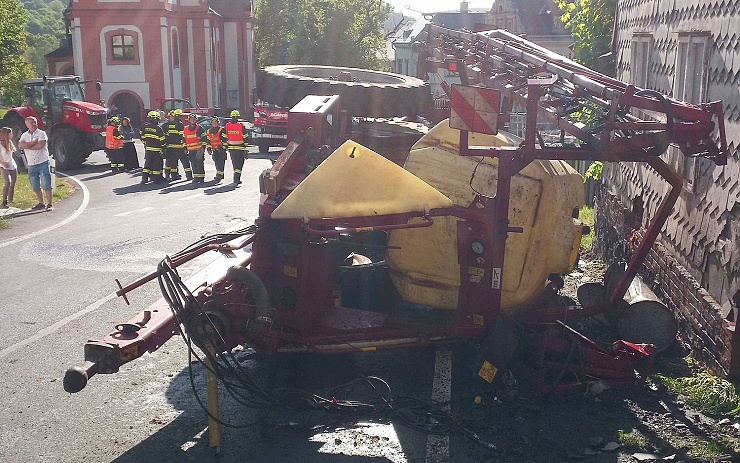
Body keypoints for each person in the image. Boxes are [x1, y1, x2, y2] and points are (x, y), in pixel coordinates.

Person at [18, 116, 53, 211]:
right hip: (31, 164)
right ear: (27, 124)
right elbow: (20, 146)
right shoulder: (24, 135)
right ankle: (41, 202)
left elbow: (40, 145)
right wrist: (33, 143)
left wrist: (27, 146)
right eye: (31, 122)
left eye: (35, 122)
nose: (34, 124)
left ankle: (49, 203)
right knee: (35, 184)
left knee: (46, 183)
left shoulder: (41, 133)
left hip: (42, 162)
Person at [139, 111, 166, 184]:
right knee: (157, 164)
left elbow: (141, 137)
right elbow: (162, 140)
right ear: (157, 119)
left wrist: (146, 144)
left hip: (148, 149)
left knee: (147, 164)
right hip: (157, 149)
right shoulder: (158, 128)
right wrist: (163, 147)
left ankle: (144, 179)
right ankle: (156, 180)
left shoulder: (144, 126)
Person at [223, 110, 250, 184]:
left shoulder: (227, 125)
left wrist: (225, 145)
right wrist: (246, 145)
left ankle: (235, 177)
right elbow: (245, 136)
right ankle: (236, 178)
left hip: (231, 148)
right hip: (240, 147)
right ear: (237, 117)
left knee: (234, 163)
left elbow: (224, 136)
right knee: (239, 163)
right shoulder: (241, 125)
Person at [162, 109, 186, 180]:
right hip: (174, 146)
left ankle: (171, 175)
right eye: (170, 116)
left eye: (172, 117)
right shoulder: (178, 124)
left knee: (172, 161)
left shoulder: (166, 124)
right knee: (171, 161)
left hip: (172, 146)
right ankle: (173, 176)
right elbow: (181, 136)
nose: (171, 118)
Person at [183, 113, 207, 184]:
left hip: (199, 150)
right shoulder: (185, 129)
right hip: (191, 150)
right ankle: (196, 177)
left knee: (199, 164)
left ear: (196, 120)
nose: (192, 120)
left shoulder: (200, 128)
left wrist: (203, 148)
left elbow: (205, 139)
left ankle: (201, 178)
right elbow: (184, 139)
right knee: (193, 164)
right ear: (189, 120)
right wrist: (185, 148)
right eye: (191, 119)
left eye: (194, 119)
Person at [0, 127, 18, 208]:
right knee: (8, 182)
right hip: (3, 167)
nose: (12, 135)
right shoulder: (0, 145)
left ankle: (11, 199)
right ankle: (4, 201)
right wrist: (3, 163)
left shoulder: (10, 143)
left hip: (12, 165)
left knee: (13, 183)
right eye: (10, 134)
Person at [205, 117, 227, 182]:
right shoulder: (209, 131)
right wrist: (208, 149)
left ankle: (219, 176)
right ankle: (220, 174)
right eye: (213, 122)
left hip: (221, 149)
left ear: (218, 123)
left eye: (216, 122)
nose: (214, 123)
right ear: (211, 123)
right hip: (214, 150)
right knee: (216, 163)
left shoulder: (222, 129)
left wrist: (223, 147)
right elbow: (208, 141)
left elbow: (225, 139)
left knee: (221, 163)